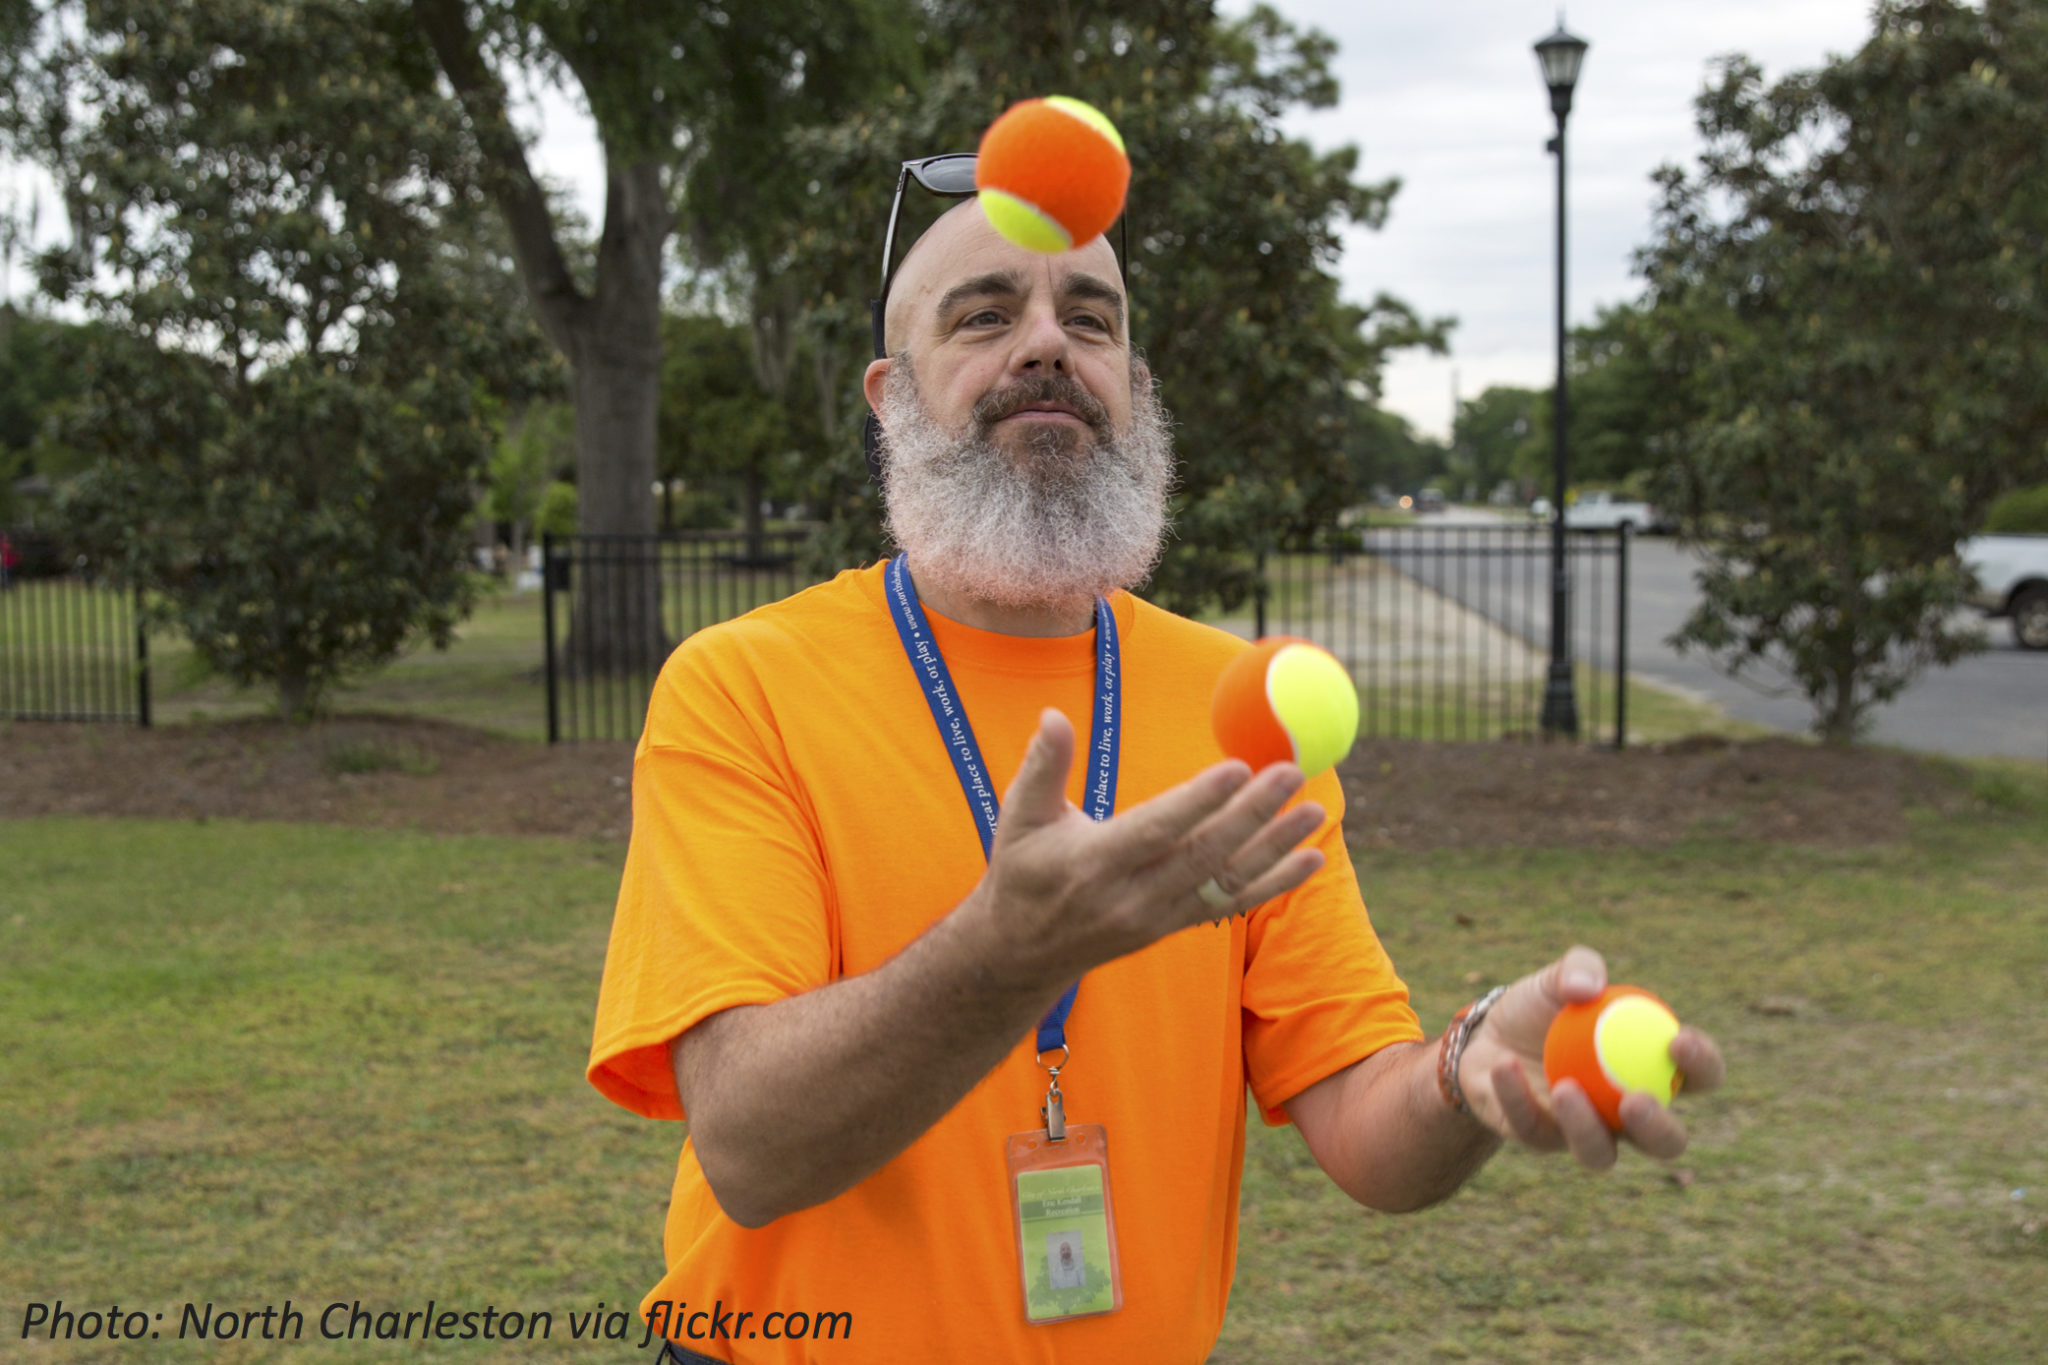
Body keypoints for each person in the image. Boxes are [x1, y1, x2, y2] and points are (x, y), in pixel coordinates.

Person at [587, 197, 1725, 1365]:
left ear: (1129, 385)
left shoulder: (1242, 706)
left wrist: (1468, 1067)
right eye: (982, 317)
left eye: (1088, 319)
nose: (1043, 344)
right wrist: (1007, 950)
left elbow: (1361, 1124)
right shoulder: (742, 686)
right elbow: (751, 1149)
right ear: (889, 400)